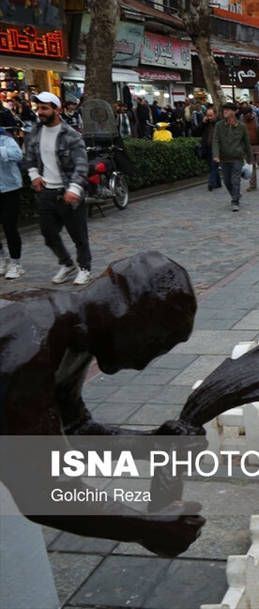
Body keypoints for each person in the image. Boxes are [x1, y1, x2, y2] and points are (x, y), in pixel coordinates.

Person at [0, 251, 207, 556]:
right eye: (153, 344)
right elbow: (43, 493)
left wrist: (149, 445)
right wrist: (145, 526)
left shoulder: (72, 334)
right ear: (128, 317)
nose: (144, 362)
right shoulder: (29, 345)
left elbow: (74, 429)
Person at [23, 92, 92, 285]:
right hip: (48, 191)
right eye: (38, 108)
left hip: (68, 191)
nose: (40, 112)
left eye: (45, 108)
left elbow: (81, 164)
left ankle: (85, 268)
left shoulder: (71, 135)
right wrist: (34, 175)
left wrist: (75, 189)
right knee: (48, 233)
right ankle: (67, 264)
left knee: (79, 235)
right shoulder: (36, 131)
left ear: (57, 110)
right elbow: (30, 158)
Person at [212, 102, 253, 211]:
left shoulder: (242, 127)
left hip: (237, 158)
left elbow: (247, 143)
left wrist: (250, 158)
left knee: (235, 180)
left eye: (228, 110)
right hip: (224, 158)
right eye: (224, 109)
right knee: (227, 181)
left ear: (234, 112)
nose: (225, 111)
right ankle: (236, 194)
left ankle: (235, 202)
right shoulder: (219, 125)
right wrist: (216, 155)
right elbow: (215, 141)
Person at [0, 124, 24, 279]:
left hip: (9, 189)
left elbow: (18, 155)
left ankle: (16, 264)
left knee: (10, 228)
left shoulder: (5, 138)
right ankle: (2, 258)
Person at [192, 106, 220, 191]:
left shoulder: (219, 123)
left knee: (214, 166)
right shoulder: (205, 123)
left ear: (215, 115)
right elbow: (196, 132)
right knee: (211, 167)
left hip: (216, 149)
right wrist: (203, 123)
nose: (209, 117)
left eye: (211, 115)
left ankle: (211, 182)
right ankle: (218, 182)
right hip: (207, 148)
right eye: (208, 115)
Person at [242, 107, 259, 191]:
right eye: (246, 116)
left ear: (251, 113)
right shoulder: (241, 120)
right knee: (251, 165)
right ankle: (252, 185)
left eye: (248, 116)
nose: (247, 118)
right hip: (248, 146)